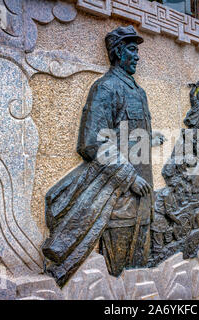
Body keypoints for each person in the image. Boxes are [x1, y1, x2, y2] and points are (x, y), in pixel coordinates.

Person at [42, 25, 164, 285]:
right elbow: (92, 143)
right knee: (118, 269)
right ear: (119, 53)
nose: (138, 56)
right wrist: (129, 177)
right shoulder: (105, 88)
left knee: (139, 264)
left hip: (144, 191)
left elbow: (124, 136)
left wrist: (148, 140)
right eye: (132, 49)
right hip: (116, 194)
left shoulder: (138, 92)